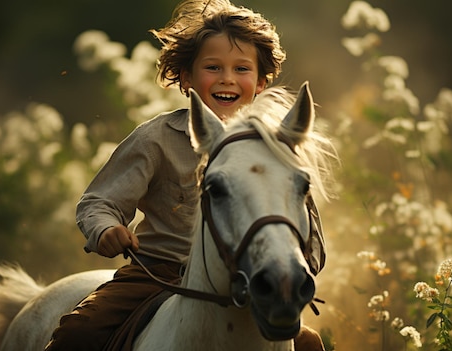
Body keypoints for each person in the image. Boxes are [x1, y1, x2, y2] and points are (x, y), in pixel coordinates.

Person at [45, 0, 326, 350]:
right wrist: (106, 229)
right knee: (78, 334)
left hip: (245, 277)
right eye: (213, 67)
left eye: (242, 69)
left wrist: (292, 266)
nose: (227, 78)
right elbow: (99, 201)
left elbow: (303, 226)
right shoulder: (156, 138)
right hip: (155, 275)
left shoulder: (274, 151)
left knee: (311, 345)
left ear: (261, 83)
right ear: (187, 77)